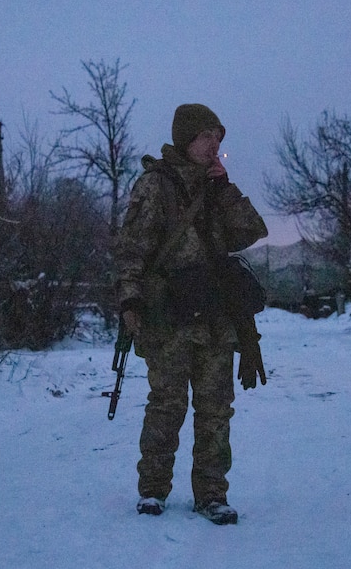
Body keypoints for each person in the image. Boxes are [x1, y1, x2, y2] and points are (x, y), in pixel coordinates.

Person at [115, 103, 268, 525]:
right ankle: (153, 490)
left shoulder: (216, 189)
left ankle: (212, 493)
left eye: (218, 136)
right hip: (169, 315)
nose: (214, 144)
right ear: (186, 139)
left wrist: (225, 188)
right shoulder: (155, 185)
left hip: (216, 316)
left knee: (216, 408)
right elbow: (132, 249)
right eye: (206, 136)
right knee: (166, 404)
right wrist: (130, 302)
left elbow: (252, 231)